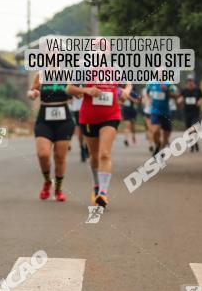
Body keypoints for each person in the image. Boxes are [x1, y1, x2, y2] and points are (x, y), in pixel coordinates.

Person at [68, 78, 131, 209]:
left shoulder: (115, 68)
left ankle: (102, 193)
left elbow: (128, 84)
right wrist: (86, 90)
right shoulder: (84, 68)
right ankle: (96, 186)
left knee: (104, 154)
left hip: (111, 116)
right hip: (89, 117)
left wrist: (126, 91)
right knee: (94, 155)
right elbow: (69, 88)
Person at [27, 73, 74, 201]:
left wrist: (76, 91)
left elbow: (74, 93)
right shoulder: (41, 75)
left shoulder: (67, 74)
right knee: (43, 154)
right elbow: (32, 91)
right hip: (44, 120)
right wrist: (32, 94)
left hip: (64, 121)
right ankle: (47, 181)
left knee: (60, 157)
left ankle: (58, 189)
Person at [145, 79, 179, 156]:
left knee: (166, 133)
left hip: (166, 112)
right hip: (155, 112)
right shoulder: (151, 83)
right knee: (155, 131)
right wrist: (149, 99)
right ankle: (157, 145)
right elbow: (147, 92)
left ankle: (162, 148)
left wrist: (167, 91)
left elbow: (176, 96)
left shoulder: (169, 84)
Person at [179, 75, 202, 152]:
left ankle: (194, 144)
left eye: (191, 81)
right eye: (188, 81)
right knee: (189, 130)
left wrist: (200, 102)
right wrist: (180, 100)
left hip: (195, 113)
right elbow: (180, 98)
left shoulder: (198, 90)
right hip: (187, 113)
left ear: (193, 82)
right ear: (187, 82)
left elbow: (201, 98)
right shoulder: (184, 90)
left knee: (194, 129)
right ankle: (195, 143)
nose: (190, 82)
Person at [68, 94, 87, 162]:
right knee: (81, 129)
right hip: (78, 108)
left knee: (84, 129)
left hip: (88, 107)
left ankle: (85, 147)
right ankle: (82, 148)